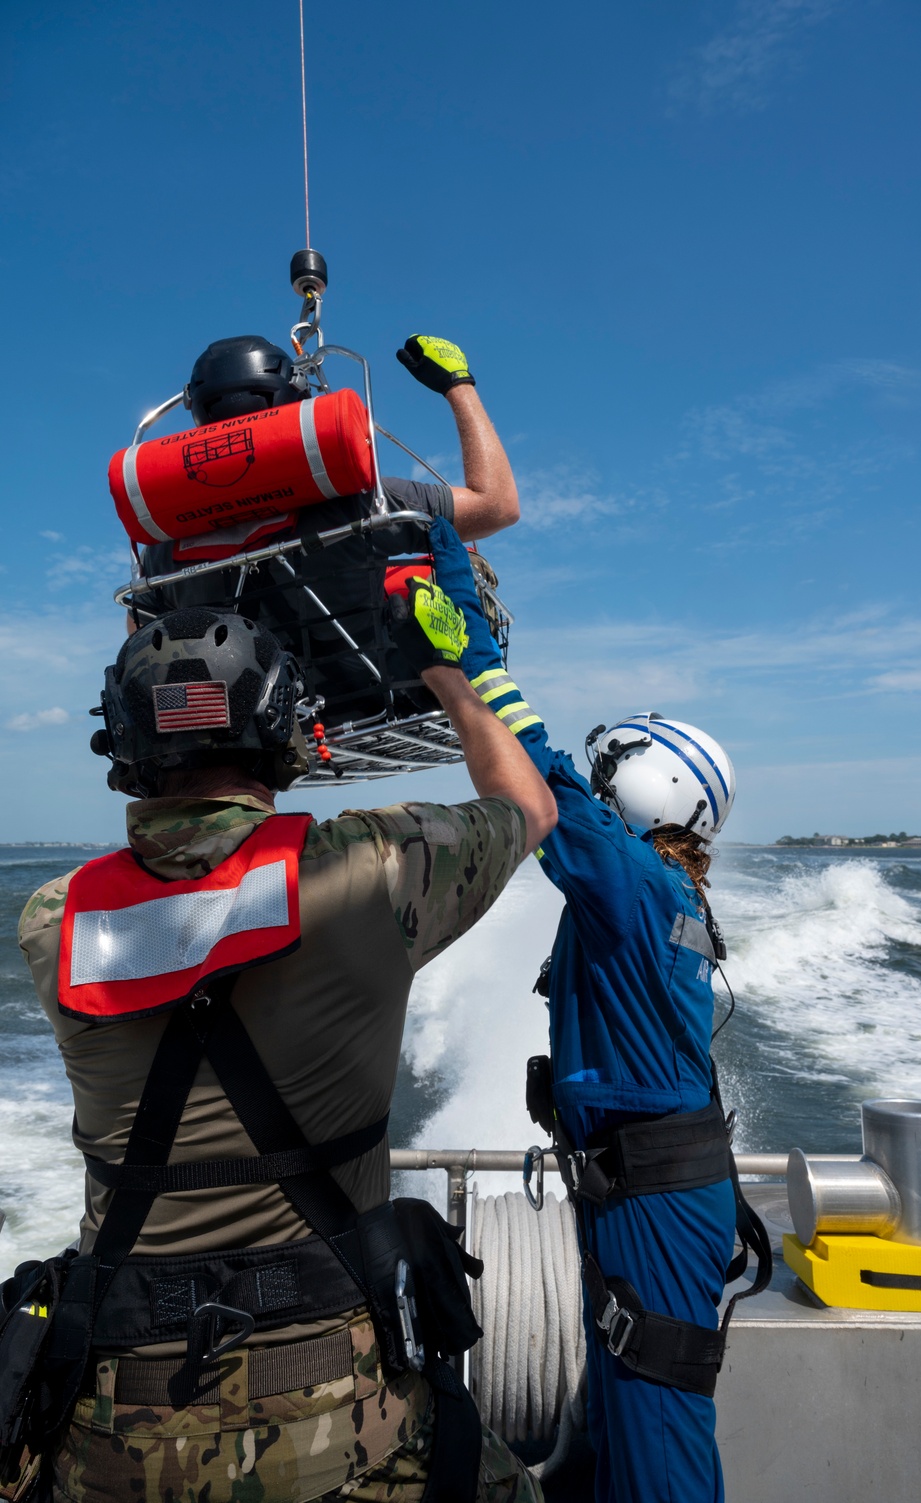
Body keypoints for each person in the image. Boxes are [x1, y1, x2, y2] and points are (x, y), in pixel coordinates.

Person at [14, 581, 556, 1501]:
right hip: (337, 1424)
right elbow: (529, 807)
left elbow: (178, 907)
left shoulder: (51, 920)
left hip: (109, 1436)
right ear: (286, 728)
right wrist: (448, 671)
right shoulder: (377, 867)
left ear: (125, 746)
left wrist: (158, 666)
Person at [430, 517, 770, 1503]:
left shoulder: (632, 889)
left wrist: (457, 655)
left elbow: (531, 770)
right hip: (640, 1196)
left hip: (652, 1208)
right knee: (618, 1431)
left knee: (657, 1444)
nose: (600, 777)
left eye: (615, 764)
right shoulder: (662, 895)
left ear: (652, 783)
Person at [134, 334, 519, 725]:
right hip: (382, 702)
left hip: (257, 726)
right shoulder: (361, 502)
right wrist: (458, 385)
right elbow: (498, 506)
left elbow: (140, 632)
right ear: (294, 398)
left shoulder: (163, 548)